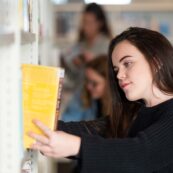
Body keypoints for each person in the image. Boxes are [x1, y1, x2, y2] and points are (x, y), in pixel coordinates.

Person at [28, 27, 173, 172]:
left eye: (127, 64)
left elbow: (138, 155)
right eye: (116, 69)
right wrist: (32, 123)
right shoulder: (134, 112)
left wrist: (77, 146)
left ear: (156, 62)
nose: (119, 75)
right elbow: (89, 130)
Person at [62, 2, 111, 88]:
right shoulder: (80, 45)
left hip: (98, 94)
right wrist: (72, 64)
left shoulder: (108, 45)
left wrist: (95, 62)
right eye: (84, 22)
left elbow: (111, 75)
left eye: (90, 22)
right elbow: (73, 78)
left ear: (100, 23)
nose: (86, 27)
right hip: (80, 92)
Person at [61, 55, 109, 122]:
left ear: (109, 84)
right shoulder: (84, 94)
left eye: (94, 84)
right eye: (87, 80)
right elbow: (68, 120)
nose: (88, 86)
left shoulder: (119, 110)